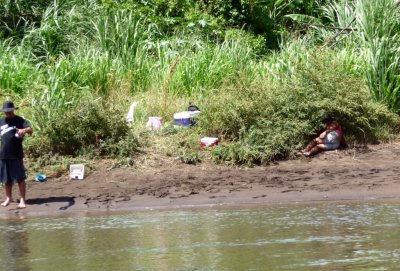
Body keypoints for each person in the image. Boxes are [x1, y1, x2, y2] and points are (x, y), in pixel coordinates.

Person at [0, 101, 33, 208]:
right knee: (6, 179)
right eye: (6, 112)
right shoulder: (1, 121)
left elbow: (30, 129)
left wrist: (24, 130)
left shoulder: (19, 120)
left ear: (13, 110)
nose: (8, 113)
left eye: (9, 111)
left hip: (16, 154)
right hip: (4, 154)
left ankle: (23, 200)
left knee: (20, 178)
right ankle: (8, 198)